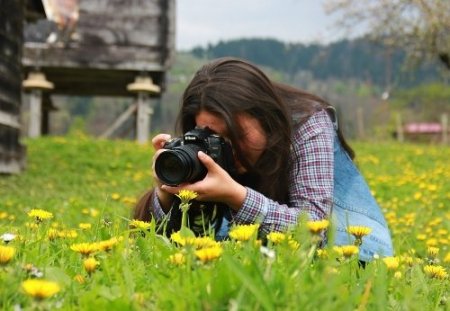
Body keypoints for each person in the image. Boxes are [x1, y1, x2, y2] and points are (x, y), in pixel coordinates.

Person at [134, 57, 393, 262]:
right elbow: (176, 240)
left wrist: (236, 196)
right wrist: (167, 193)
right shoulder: (209, 147)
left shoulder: (309, 124)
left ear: (266, 118)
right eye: (213, 135)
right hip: (262, 250)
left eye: (237, 134)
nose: (229, 147)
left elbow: (315, 228)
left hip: (349, 248)